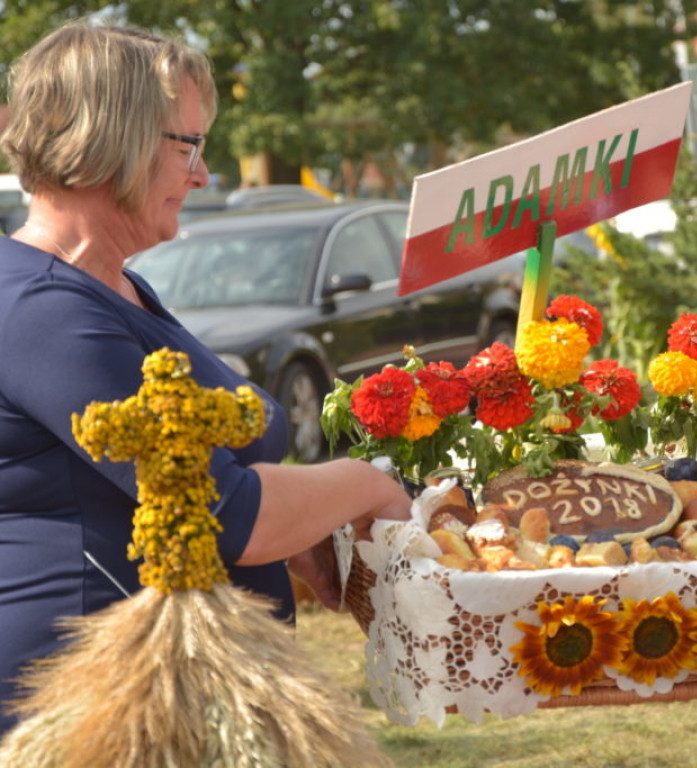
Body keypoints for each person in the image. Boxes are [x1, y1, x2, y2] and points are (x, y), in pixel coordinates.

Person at [0, 21, 411, 738]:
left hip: (171, 697)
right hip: (97, 713)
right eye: (187, 145)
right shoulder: (43, 310)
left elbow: (192, 479)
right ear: (112, 138)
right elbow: (223, 512)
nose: (203, 174)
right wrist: (368, 484)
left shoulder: (108, 286)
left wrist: (301, 529)